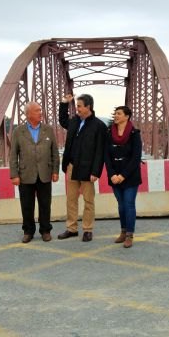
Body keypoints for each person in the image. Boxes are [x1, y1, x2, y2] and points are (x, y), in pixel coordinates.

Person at [58, 93, 107, 242]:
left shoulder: (99, 126)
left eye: (79, 106)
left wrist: (96, 171)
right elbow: (62, 120)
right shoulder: (74, 122)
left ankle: (87, 229)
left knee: (88, 201)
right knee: (71, 200)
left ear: (88, 107)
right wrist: (64, 103)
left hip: (88, 169)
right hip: (72, 166)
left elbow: (100, 151)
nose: (77, 109)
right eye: (76, 106)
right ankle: (71, 228)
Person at [9, 102, 60, 243]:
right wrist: (14, 174)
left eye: (40, 109)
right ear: (29, 113)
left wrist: (55, 171)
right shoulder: (18, 131)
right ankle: (28, 231)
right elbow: (13, 154)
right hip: (25, 175)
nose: (41, 112)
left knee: (45, 204)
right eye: (37, 110)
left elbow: (54, 152)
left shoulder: (48, 130)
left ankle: (45, 230)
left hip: (45, 173)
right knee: (26, 205)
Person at [104, 106, 142, 248]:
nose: (116, 116)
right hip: (114, 175)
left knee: (129, 204)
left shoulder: (134, 133)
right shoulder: (109, 133)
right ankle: (123, 231)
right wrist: (112, 174)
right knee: (121, 205)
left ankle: (129, 235)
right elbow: (106, 155)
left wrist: (122, 175)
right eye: (115, 113)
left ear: (127, 116)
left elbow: (136, 157)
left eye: (119, 114)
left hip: (130, 176)